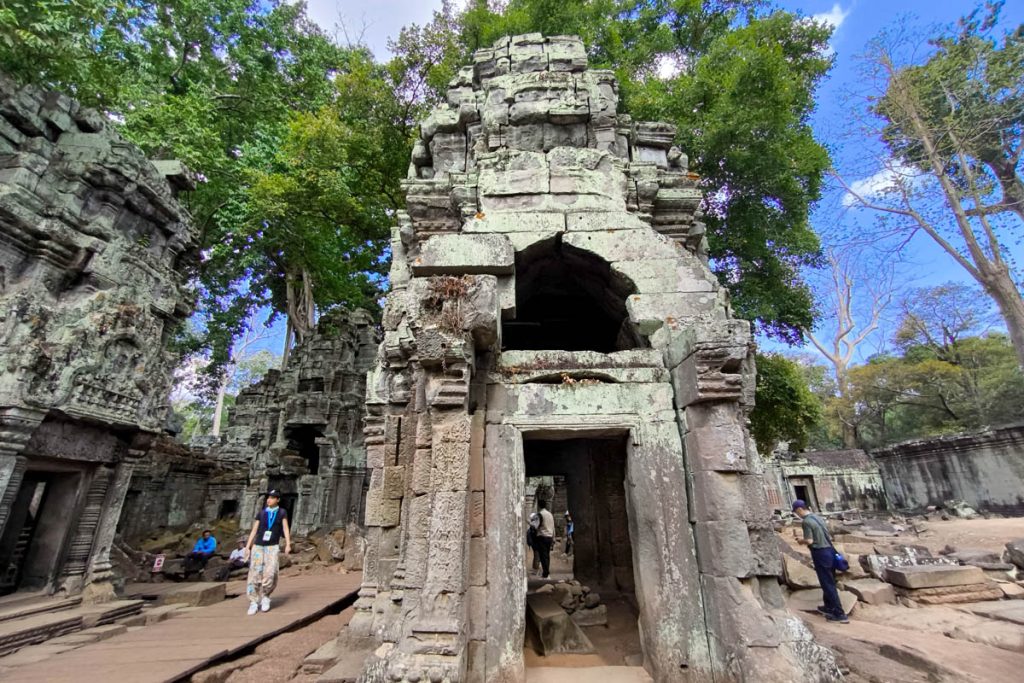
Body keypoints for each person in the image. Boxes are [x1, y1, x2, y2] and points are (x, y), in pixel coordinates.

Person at [793, 500, 848, 624]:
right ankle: (828, 606)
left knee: (827, 583)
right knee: (829, 580)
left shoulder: (806, 521)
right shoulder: (817, 518)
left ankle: (839, 614)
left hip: (820, 553)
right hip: (830, 551)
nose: (797, 514)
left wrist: (800, 541)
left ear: (799, 509)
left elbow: (810, 541)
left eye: (796, 512)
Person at [244, 489, 291, 615]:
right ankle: (253, 601)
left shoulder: (282, 512)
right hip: (258, 546)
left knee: (270, 572)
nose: (268, 500)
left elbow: (285, 528)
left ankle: (265, 596)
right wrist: (247, 547)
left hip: (272, 546)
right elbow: (254, 531)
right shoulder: (262, 513)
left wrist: (288, 544)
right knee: (255, 572)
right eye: (268, 497)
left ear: (278, 500)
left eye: (272, 497)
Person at [535, 501, 555, 579]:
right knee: (547, 555)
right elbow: (553, 527)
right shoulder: (550, 514)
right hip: (549, 536)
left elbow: (536, 526)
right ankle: (546, 572)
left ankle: (545, 574)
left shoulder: (540, 514)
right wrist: (553, 537)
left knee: (543, 556)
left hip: (542, 536)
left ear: (539, 506)